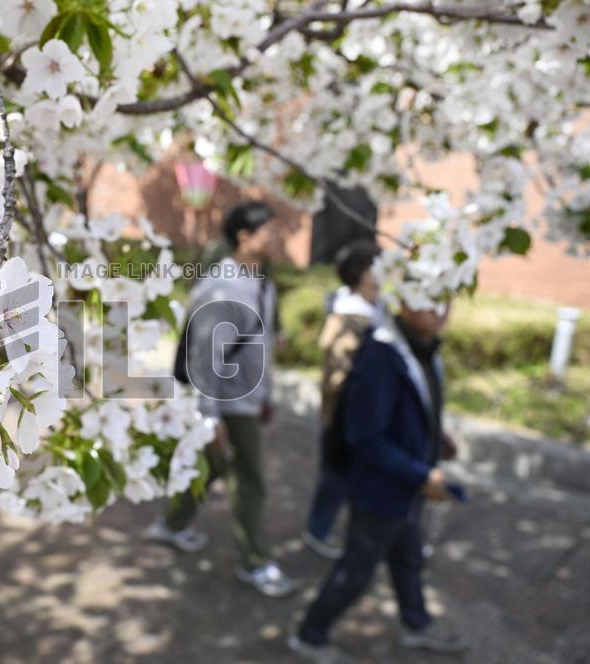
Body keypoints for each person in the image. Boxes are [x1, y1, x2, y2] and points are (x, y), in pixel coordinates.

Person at [289, 301, 468, 662]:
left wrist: (435, 435)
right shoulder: (381, 356)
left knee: (408, 559)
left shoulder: (422, 347)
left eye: (447, 299)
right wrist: (421, 475)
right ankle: (310, 635)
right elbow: (365, 437)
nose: (440, 310)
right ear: (404, 299)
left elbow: (412, 407)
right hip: (382, 490)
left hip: (407, 487)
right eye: (430, 298)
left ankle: (416, 624)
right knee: (356, 570)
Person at [147, 200, 296, 598]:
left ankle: (171, 525)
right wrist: (209, 418)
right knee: (251, 483)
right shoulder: (223, 286)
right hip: (229, 402)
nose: (275, 238)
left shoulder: (258, 279)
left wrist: (264, 394)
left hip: (246, 397)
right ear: (244, 237)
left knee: (210, 467)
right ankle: (256, 562)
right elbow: (206, 359)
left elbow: (257, 342)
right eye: (268, 231)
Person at [302, 241, 386, 559]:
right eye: (375, 267)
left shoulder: (377, 308)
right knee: (336, 476)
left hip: (365, 415)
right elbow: (342, 376)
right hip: (345, 415)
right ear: (359, 275)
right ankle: (318, 530)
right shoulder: (348, 317)